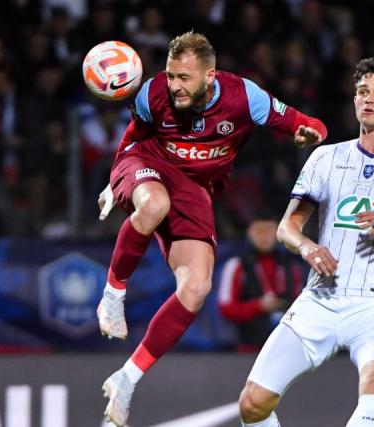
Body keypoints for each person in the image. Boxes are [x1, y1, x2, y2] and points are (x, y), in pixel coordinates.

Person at [96, 31, 327, 426]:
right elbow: (133, 138)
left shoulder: (244, 97)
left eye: (184, 78)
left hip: (195, 186)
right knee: (153, 204)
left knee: (197, 287)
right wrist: (114, 182)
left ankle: (127, 377)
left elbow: (308, 123)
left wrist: (311, 134)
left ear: (211, 75)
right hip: (147, 165)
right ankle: (113, 294)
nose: (174, 85)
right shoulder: (151, 94)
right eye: (171, 75)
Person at [237, 57, 374, 427]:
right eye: (362, 92)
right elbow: (286, 228)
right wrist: (307, 247)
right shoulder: (325, 158)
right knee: (252, 405)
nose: (368, 99)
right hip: (320, 299)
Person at [218, 214, 303, 353]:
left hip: (286, 349)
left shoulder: (291, 265)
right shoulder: (236, 265)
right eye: (258, 231)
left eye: (269, 231)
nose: (264, 236)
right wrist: (258, 306)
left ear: (278, 232)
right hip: (248, 349)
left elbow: (301, 303)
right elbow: (226, 308)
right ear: (249, 233)